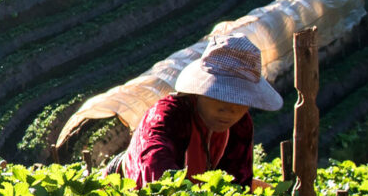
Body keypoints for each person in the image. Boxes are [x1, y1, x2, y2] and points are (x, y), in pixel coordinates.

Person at [120, 34, 282, 187]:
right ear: (201, 90)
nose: (230, 109)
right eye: (220, 95)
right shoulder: (167, 116)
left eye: (240, 100)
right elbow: (156, 174)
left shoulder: (241, 125)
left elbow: (238, 183)